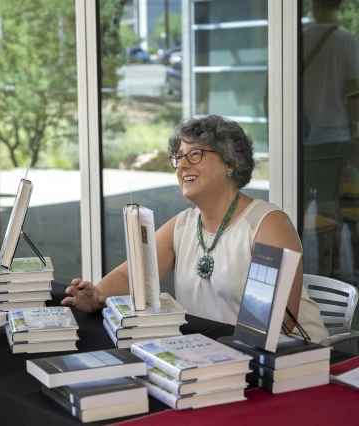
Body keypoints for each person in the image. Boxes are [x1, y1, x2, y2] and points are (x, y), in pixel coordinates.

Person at [62, 115, 329, 344]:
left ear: (230, 163)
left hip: (286, 363)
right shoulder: (184, 225)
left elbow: (276, 323)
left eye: (196, 154)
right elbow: (131, 274)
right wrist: (97, 295)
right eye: (178, 157)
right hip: (215, 358)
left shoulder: (267, 223)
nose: (182, 165)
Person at [301, 0, 359, 280]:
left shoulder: (293, 39)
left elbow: (269, 94)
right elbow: (352, 95)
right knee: (329, 208)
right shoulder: (346, 41)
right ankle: (329, 274)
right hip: (334, 141)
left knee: (295, 209)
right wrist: (354, 133)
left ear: (313, 6)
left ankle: (293, 274)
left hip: (299, 142)